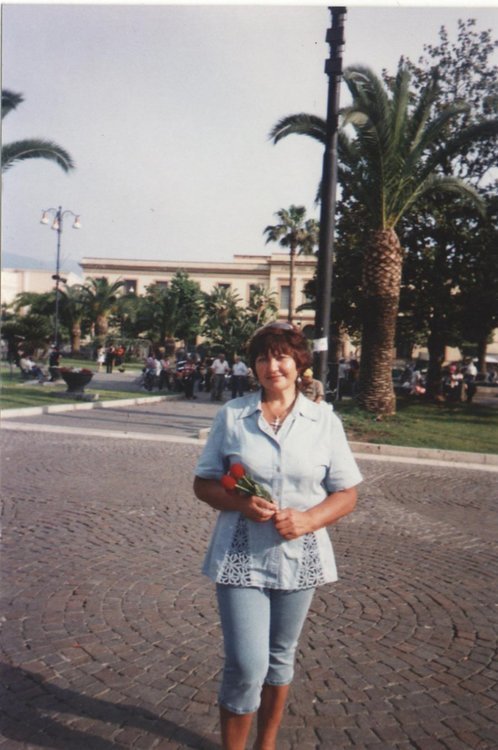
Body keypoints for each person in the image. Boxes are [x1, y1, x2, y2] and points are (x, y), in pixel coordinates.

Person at [193, 322, 362, 750]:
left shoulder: (323, 421)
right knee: (247, 665)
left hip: (300, 555)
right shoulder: (233, 416)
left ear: (299, 362)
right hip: (240, 556)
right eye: (263, 358)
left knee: (280, 658)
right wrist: (240, 504)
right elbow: (204, 484)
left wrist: (309, 520)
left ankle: (265, 745)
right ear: (253, 366)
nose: (273, 366)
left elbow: (347, 493)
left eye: (282, 356)